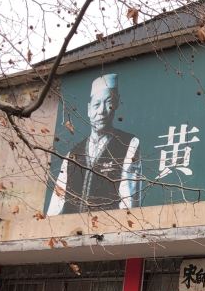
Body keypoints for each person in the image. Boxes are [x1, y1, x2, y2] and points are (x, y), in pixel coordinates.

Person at [46, 73, 142, 215]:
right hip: (71, 232)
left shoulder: (129, 144)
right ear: (89, 109)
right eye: (97, 104)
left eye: (108, 103)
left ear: (115, 105)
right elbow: (56, 204)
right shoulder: (72, 154)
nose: (101, 111)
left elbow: (129, 203)